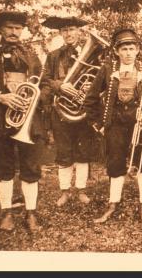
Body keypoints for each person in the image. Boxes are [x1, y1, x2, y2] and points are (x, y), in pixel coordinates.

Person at [0, 11, 47, 231]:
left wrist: (35, 99)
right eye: (9, 27)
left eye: (18, 28)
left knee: (31, 165)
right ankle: (6, 213)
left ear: (22, 30)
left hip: (29, 118)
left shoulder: (32, 54)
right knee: (3, 166)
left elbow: (43, 84)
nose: (14, 32)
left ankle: (31, 213)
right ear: (0, 29)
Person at [83, 28, 142, 224]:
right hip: (115, 125)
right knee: (115, 164)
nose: (128, 53)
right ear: (117, 51)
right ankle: (113, 205)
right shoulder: (107, 70)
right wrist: (99, 125)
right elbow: (90, 99)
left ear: (138, 50)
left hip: (140, 124)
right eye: (124, 48)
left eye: (131, 48)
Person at [41, 16, 98, 207]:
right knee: (64, 151)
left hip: (82, 110)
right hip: (61, 110)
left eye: (72, 29)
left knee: (82, 150)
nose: (68, 33)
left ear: (80, 32)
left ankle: (81, 190)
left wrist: (89, 86)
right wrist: (60, 86)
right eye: (64, 30)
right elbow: (45, 80)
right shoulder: (53, 55)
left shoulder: (92, 54)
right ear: (60, 33)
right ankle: (65, 191)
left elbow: (99, 77)